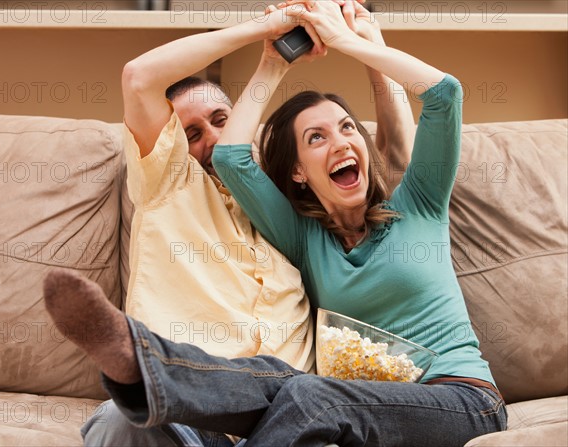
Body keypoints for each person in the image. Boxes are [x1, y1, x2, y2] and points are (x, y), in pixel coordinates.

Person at [78, 1, 415, 445]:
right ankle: (137, 362)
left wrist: (369, 45)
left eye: (222, 121)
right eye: (192, 134)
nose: (214, 139)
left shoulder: (296, 200)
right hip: (187, 413)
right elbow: (139, 77)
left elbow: (395, 164)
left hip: (289, 416)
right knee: (120, 420)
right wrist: (264, 32)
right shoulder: (167, 185)